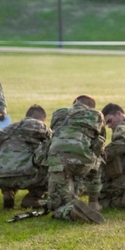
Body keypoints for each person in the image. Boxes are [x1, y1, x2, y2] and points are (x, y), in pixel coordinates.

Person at [46, 95, 106, 223]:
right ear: (91, 107)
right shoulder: (96, 115)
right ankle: (93, 201)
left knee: (56, 204)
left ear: (74, 102)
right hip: (84, 163)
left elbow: (54, 133)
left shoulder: (59, 112)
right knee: (100, 155)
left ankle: (71, 209)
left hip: (58, 162)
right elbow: (101, 141)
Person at [0, 104, 52, 209]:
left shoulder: (6, 129)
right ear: (42, 118)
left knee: (8, 161)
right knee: (52, 165)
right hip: (26, 175)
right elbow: (53, 146)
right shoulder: (41, 126)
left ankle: (8, 191)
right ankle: (33, 197)